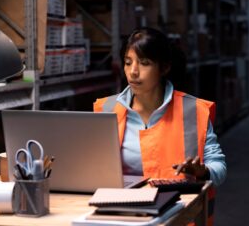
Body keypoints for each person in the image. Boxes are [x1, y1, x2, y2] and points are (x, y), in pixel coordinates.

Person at [94, 27, 227, 223]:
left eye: (144, 63)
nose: (133, 72)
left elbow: (219, 167)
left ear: (164, 68)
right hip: (121, 216)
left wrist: (203, 171)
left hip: (178, 217)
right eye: (128, 62)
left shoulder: (193, 110)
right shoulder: (107, 109)